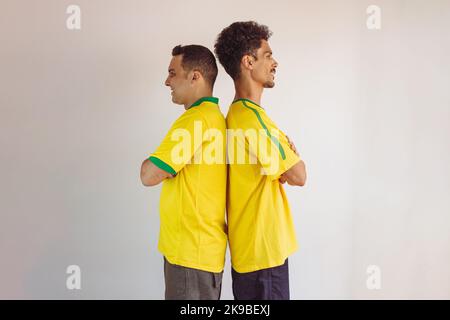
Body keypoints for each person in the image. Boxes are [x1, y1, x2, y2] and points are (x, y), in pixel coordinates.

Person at [214, 21, 307, 300]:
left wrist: (285, 165)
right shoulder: (252, 119)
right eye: (268, 55)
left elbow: (281, 171)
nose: (275, 62)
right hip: (264, 253)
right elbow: (299, 175)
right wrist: (292, 158)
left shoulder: (238, 115)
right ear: (248, 61)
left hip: (250, 252)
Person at [140, 44, 227, 300]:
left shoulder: (195, 121)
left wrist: (153, 164)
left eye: (172, 72)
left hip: (189, 256)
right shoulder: (214, 118)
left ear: (195, 76)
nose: (167, 81)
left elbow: (149, 175)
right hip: (201, 255)